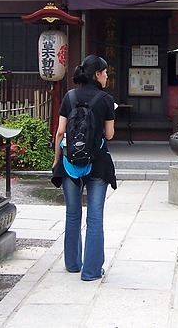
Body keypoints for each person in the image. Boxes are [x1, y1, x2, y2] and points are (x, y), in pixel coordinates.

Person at [51, 55, 116, 281]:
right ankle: (90, 271)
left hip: (70, 162)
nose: (107, 76)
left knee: (72, 213)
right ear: (97, 74)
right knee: (95, 217)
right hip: (97, 164)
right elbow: (109, 134)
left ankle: (72, 263)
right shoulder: (106, 100)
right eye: (105, 72)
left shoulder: (69, 97)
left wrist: (57, 160)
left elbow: (60, 132)